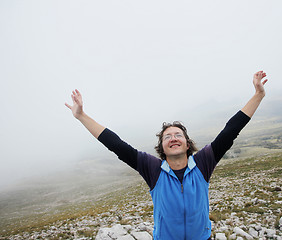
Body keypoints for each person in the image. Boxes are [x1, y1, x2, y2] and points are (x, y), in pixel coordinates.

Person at [65, 71, 268, 240]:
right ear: (162, 147)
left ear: (187, 144)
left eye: (178, 135)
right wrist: (81, 115)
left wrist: (258, 94)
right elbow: (116, 144)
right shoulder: (152, 169)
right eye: (167, 136)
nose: (173, 138)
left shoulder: (203, 162)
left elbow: (231, 130)